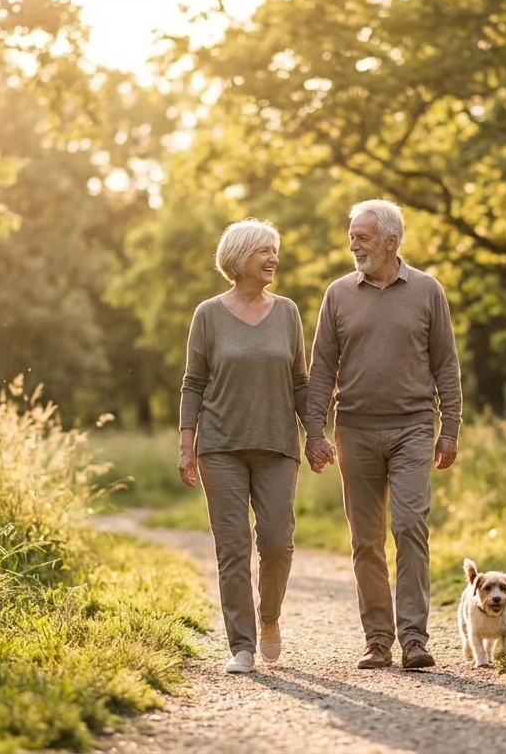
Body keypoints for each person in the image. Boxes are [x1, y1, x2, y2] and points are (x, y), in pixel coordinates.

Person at [304, 199, 462, 670]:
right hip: (354, 429)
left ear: (391, 242)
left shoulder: (428, 291)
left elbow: (446, 365)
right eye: (352, 235)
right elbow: (320, 370)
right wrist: (314, 430)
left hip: (413, 427)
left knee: (410, 524)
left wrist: (448, 428)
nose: (354, 243)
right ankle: (378, 640)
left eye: (363, 236)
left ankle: (414, 638)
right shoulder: (338, 294)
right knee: (366, 539)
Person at [178, 218, 309, 674]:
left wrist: (317, 433)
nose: (274, 258)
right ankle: (242, 646)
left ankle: (269, 617)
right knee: (231, 547)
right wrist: (186, 444)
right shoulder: (208, 314)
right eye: (264, 251)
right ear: (239, 258)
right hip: (221, 446)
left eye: (275, 250)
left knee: (277, 542)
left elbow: (300, 381)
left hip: (277, 444)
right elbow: (193, 383)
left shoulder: (288, 311)